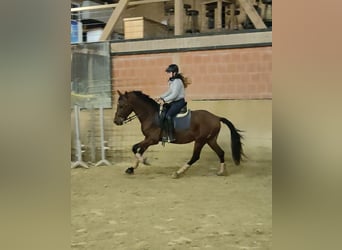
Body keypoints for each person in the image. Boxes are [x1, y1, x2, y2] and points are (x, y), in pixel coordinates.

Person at [156, 64, 190, 142]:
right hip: (175, 102)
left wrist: (164, 100)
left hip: (179, 102)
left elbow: (174, 95)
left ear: (174, 72)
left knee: (168, 116)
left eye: (169, 72)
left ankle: (171, 136)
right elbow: (170, 91)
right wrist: (161, 97)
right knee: (163, 112)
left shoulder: (177, 82)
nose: (168, 73)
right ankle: (164, 134)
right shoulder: (173, 81)